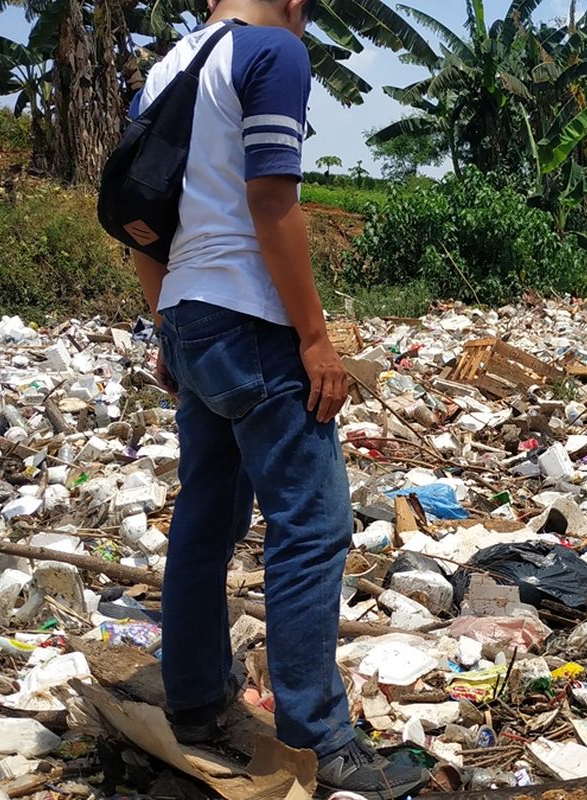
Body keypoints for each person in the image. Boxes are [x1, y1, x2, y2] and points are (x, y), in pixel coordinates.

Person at [124, 1, 429, 797]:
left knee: (204, 520)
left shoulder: (165, 68)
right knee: (310, 527)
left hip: (191, 319)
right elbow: (270, 200)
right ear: (295, 5)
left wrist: (170, 327)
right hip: (254, 320)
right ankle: (322, 741)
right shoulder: (273, 54)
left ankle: (193, 702)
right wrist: (315, 338)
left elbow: (136, 222)